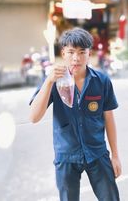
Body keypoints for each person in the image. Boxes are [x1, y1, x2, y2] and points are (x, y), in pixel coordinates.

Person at [29, 27, 122, 201]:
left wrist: (115, 156)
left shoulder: (101, 81)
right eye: (71, 52)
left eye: (82, 52)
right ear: (63, 53)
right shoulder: (54, 81)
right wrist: (49, 82)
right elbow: (34, 117)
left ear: (89, 53)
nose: (76, 58)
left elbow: (108, 117)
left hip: (97, 152)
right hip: (66, 156)